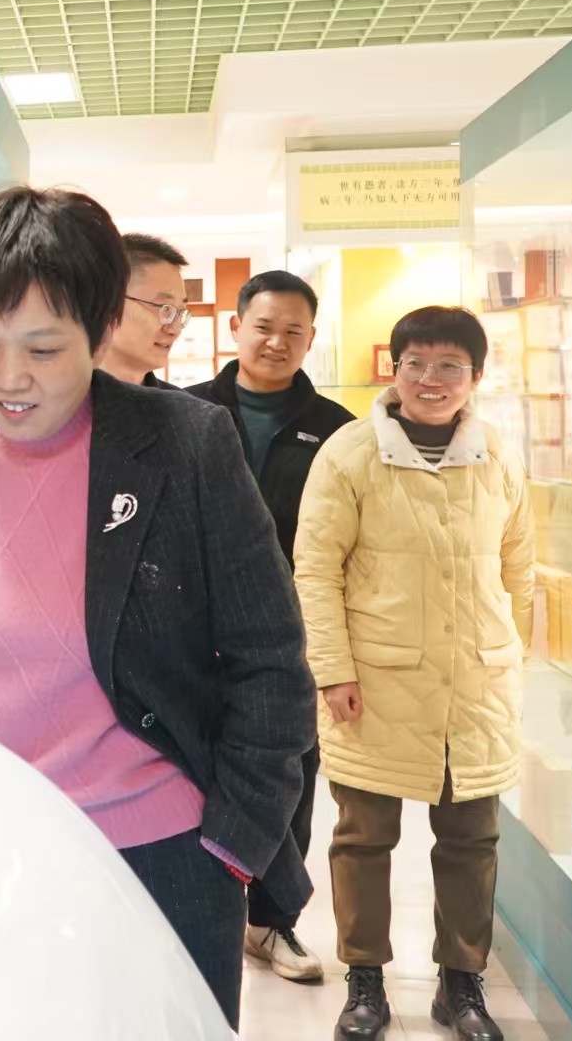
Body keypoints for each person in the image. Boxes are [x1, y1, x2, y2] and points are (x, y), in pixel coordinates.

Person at [0, 186, 316, 1029]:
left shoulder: (185, 443)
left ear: (100, 327)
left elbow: (271, 660)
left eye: (43, 348)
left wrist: (232, 846)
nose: (9, 378)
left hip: (165, 860)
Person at [293, 306, 533, 1041]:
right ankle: (364, 980)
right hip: (375, 684)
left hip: (475, 688)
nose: (432, 379)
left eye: (449, 366)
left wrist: (510, 656)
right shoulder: (350, 454)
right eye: (416, 364)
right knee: (363, 839)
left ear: (476, 376)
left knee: (472, 841)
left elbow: (518, 567)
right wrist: (332, 670)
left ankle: (461, 985)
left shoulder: (497, 454)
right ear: (393, 370)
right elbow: (316, 571)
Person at [184, 269, 355, 983]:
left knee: (289, 774)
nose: (277, 342)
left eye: (294, 331)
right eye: (263, 326)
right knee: (195, 771)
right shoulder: (185, 410)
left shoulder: (338, 430)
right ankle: (200, 910)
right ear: (236, 327)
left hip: (292, 636)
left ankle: (272, 920)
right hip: (195, 629)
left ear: (311, 339)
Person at [96, 232, 192, 388]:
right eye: (164, 308)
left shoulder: (183, 403)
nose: (175, 330)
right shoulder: (57, 398)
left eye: (180, 312)